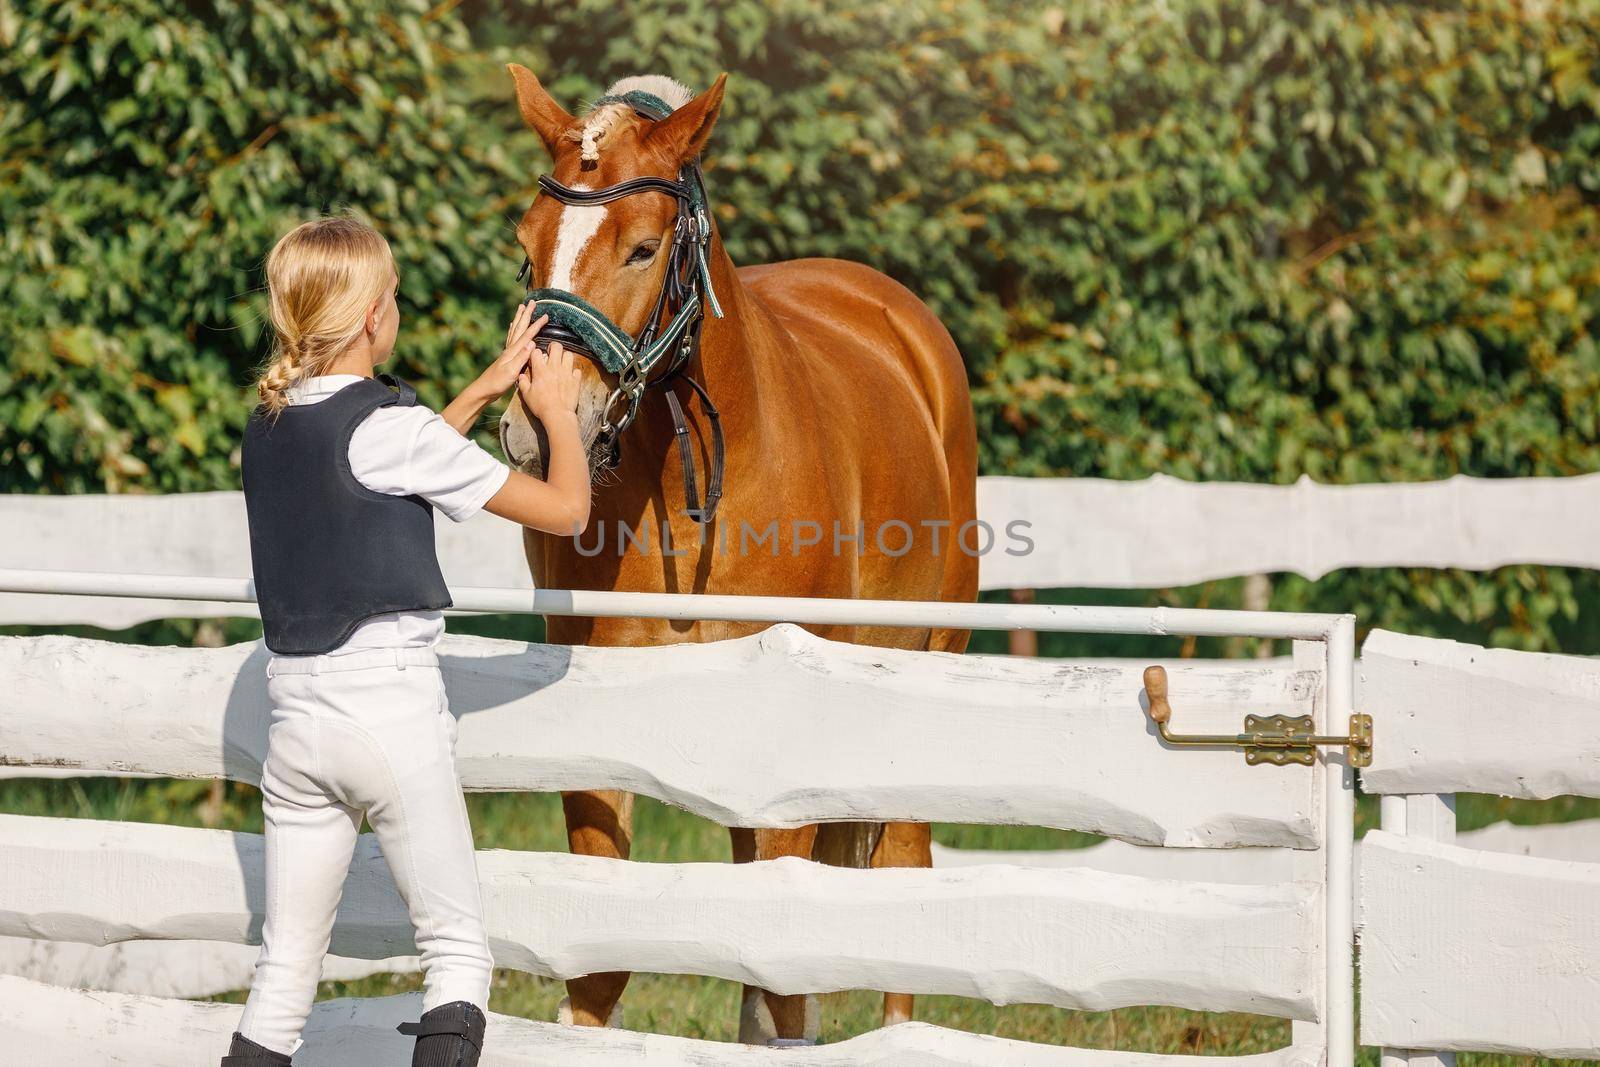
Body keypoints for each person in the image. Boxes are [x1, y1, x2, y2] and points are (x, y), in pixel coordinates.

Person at [225, 216, 590, 1066]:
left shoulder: (267, 428)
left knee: (284, 974)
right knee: (458, 955)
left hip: (296, 730)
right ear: (371, 319)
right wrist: (557, 412)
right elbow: (567, 511)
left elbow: (385, 466)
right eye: (391, 295)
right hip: (388, 715)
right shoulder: (397, 432)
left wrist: (483, 389)